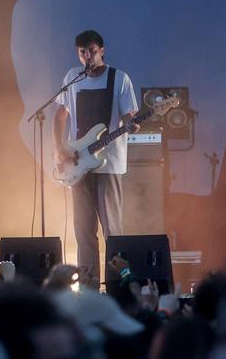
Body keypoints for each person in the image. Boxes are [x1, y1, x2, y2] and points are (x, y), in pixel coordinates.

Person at [52, 30, 138, 290]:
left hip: (110, 165)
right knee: (83, 234)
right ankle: (89, 289)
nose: (86, 56)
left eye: (91, 50)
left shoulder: (119, 78)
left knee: (114, 233)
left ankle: (120, 287)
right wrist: (60, 149)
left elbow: (128, 116)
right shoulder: (72, 78)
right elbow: (60, 116)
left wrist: (130, 124)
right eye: (81, 52)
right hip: (79, 165)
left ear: (102, 50)